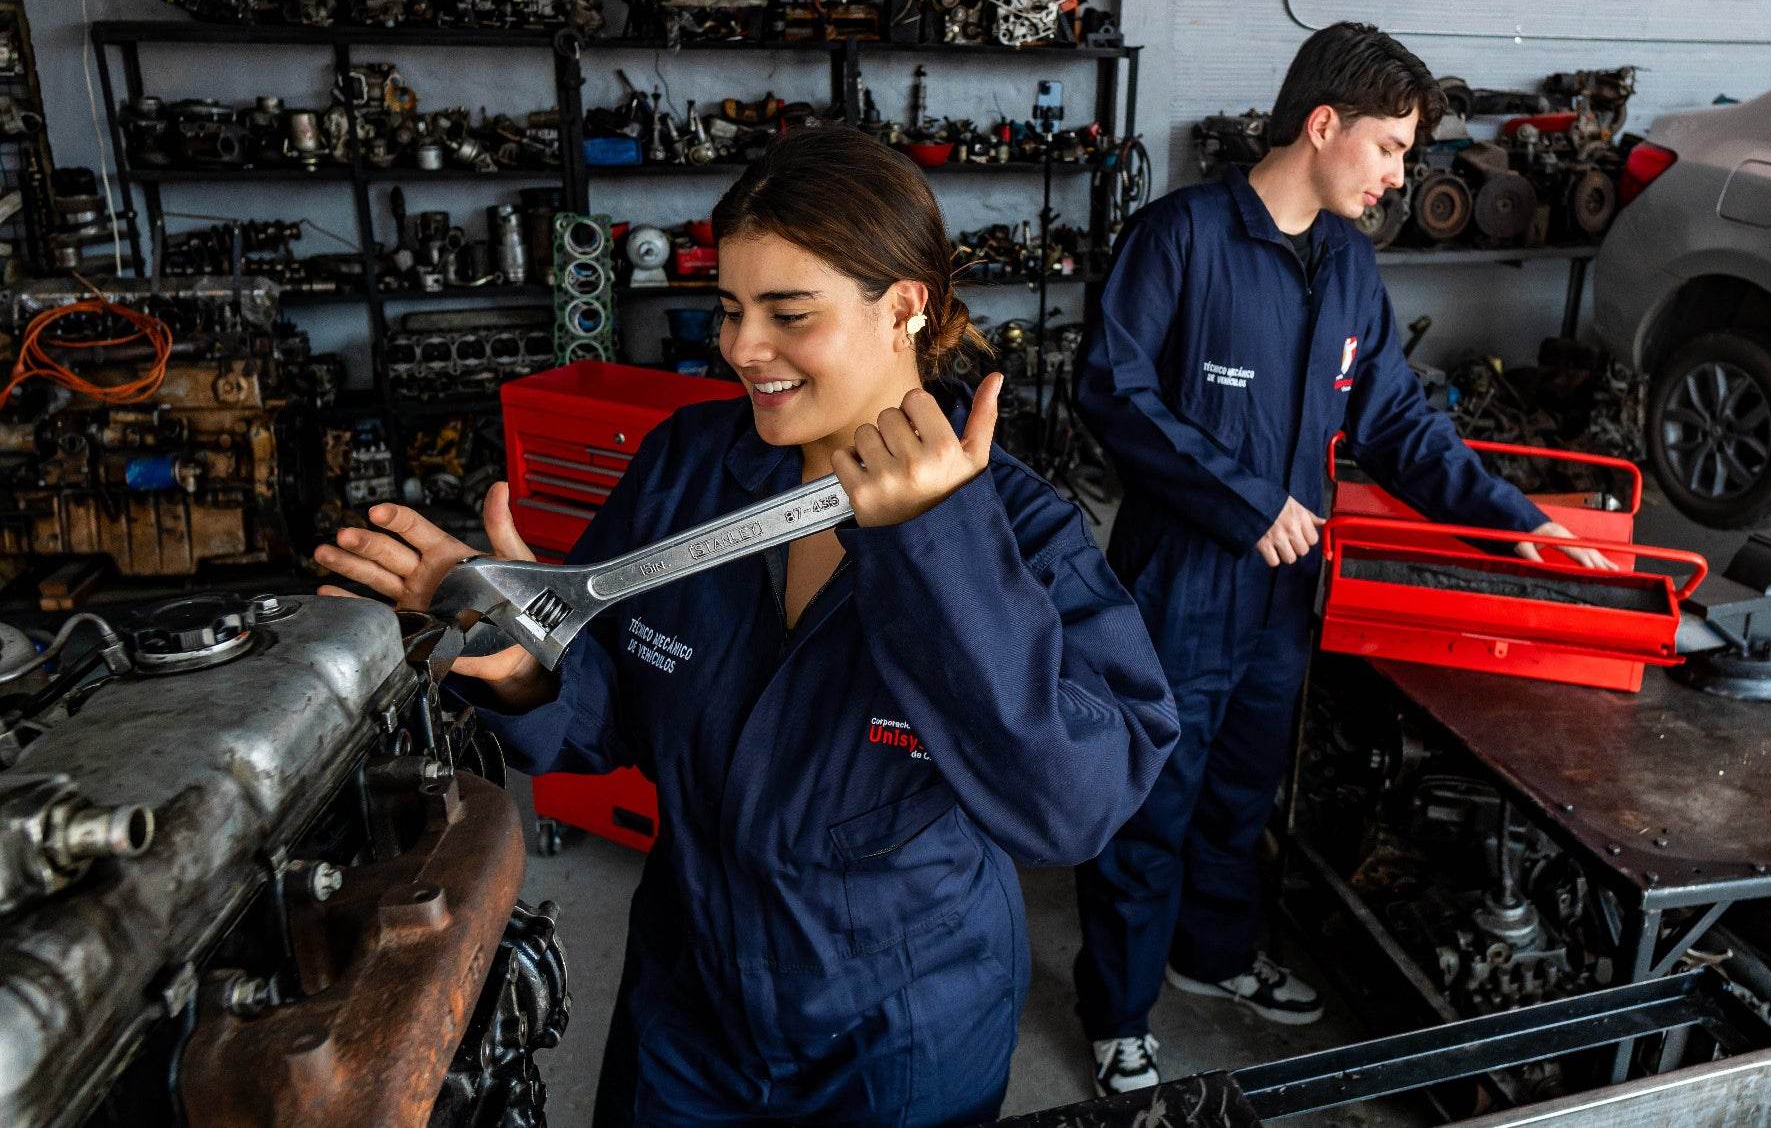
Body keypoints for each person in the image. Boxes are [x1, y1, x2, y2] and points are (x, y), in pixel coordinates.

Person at [315, 126, 1179, 1125]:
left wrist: (936, 546)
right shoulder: (688, 467)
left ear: (906, 306)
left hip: (900, 1029)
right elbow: (609, 712)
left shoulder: (1021, 530)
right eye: (729, 310)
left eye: (787, 313)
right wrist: (523, 665)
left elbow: (1073, 802)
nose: (739, 348)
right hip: (690, 1003)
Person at [1070, 22, 1614, 1094]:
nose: (1399, 176)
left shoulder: (1348, 264)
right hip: (1178, 584)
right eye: (1390, 147)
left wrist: (1515, 517)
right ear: (1322, 123)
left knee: (1242, 792)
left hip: (1283, 591)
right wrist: (1241, 501)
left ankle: (1211, 956)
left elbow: (1397, 424)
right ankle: (1119, 1011)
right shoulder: (1180, 237)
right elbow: (1112, 391)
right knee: (1151, 801)